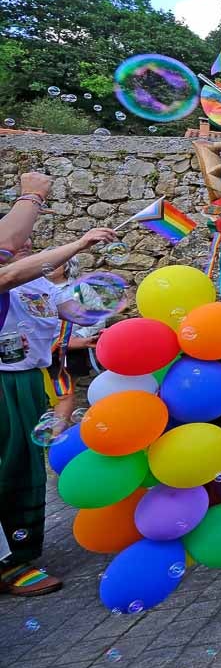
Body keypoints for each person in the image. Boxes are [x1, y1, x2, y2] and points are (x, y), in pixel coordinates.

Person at [0, 226, 116, 597]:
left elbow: (74, 311)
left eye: (29, 239)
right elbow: (11, 274)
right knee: (6, 466)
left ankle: (19, 555)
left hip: (29, 380)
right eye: (18, 239)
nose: (26, 243)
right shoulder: (9, 278)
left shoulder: (39, 285)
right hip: (4, 381)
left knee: (25, 467)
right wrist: (81, 242)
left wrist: (105, 302)